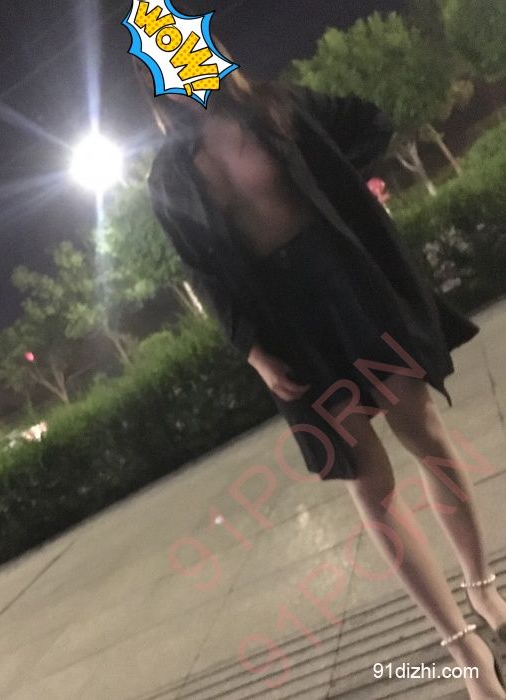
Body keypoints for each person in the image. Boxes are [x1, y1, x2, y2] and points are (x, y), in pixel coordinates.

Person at [134, 35, 506, 700]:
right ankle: (461, 646)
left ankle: (482, 587)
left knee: (425, 436)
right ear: (153, 81)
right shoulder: (169, 176)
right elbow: (202, 271)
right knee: (370, 483)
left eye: (187, 49)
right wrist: (254, 352)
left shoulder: (277, 108)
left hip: (352, 284)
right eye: (165, 60)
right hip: (287, 325)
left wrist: (341, 189)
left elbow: (370, 121)